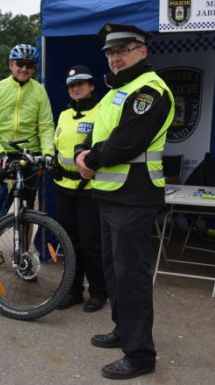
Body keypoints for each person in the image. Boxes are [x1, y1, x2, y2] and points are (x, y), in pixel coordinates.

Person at [75, 23, 174, 380]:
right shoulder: (117, 90)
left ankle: (140, 354)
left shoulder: (149, 91)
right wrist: (81, 152)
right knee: (114, 270)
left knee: (130, 275)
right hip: (110, 195)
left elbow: (125, 143)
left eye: (123, 50)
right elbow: (94, 131)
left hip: (134, 196)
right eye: (111, 53)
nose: (115, 58)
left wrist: (90, 159)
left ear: (142, 51)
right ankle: (123, 330)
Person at [0, 44, 55, 242]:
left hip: (29, 152)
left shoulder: (39, 91)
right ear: (11, 65)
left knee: (27, 205)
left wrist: (48, 153)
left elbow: (46, 125)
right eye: (20, 64)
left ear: (34, 68)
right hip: (2, 150)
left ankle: (24, 258)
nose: (24, 69)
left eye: (29, 65)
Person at [53, 65, 107, 313]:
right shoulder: (64, 115)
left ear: (92, 86)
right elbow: (58, 147)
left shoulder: (101, 112)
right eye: (72, 86)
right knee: (68, 241)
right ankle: (74, 290)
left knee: (90, 243)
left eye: (81, 84)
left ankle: (99, 291)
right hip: (63, 186)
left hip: (89, 188)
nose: (76, 88)